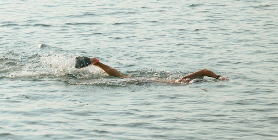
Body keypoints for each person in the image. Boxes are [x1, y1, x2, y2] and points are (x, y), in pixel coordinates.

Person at [75, 57, 228, 83]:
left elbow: (204, 72)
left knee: (121, 77)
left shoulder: (183, 81)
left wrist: (217, 77)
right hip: (149, 82)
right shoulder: (183, 81)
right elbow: (204, 70)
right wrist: (218, 77)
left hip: (151, 82)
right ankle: (96, 63)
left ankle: (97, 63)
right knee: (121, 78)